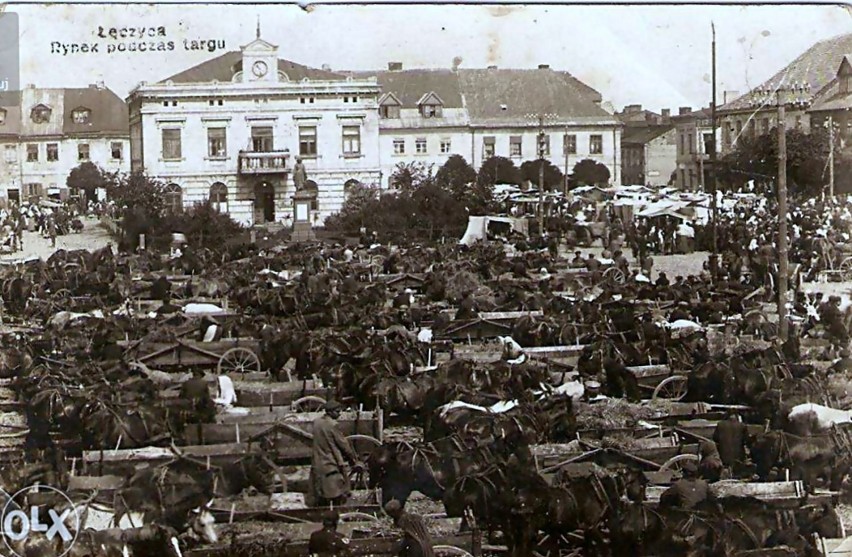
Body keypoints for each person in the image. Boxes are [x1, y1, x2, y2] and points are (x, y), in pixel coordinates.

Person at [310, 400, 363, 507]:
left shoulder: (316, 422)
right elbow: (344, 445)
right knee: (340, 489)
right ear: (330, 412)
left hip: (317, 461)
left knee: (321, 490)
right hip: (331, 462)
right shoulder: (333, 425)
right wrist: (354, 459)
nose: (339, 414)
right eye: (337, 411)